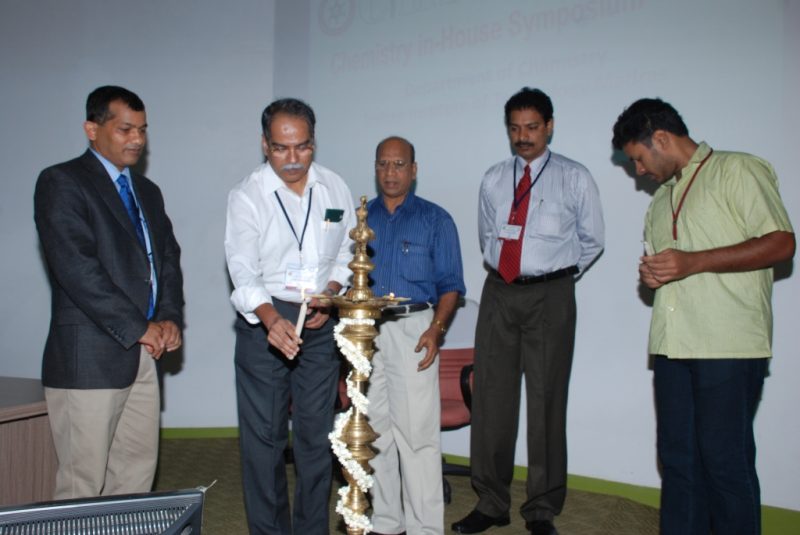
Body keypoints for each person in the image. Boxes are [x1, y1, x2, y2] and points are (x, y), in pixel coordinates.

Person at [612, 98, 795, 535]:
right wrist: (654, 276)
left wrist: (692, 261)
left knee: (724, 463)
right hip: (672, 347)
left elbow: (781, 243)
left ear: (661, 138)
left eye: (638, 158)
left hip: (727, 344)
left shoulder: (738, 170)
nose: (638, 170)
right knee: (677, 461)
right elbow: (672, 271)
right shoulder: (660, 202)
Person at [453, 88, 604, 535]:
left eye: (532, 127)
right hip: (500, 292)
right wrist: (513, 272)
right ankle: (491, 502)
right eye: (515, 128)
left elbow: (592, 240)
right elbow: (488, 236)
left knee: (546, 402)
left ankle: (541, 509)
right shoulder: (494, 179)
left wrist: (555, 277)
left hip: (550, 295)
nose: (523, 136)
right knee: (491, 400)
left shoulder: (574, 177)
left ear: (549, 126)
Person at [33, 85, 184, 499]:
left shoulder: (147, 191)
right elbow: (77, 269)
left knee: (135, 478)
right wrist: (140, 327)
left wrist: (168, 317)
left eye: (142, 130)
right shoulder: (61, 182)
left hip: (145, 354)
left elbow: (167, 259)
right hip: (90, 359)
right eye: (125, 129)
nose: (137, 139)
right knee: (82, 485)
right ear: (91, 129)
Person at [224, 98, 356, 535]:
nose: (293, 158)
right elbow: (242, 270)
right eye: (281, 148)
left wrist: (330, 294)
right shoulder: (248, 196)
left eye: (302, 146)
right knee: (265, 442)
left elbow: (347, 253)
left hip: (319, 317)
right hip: (266, 318)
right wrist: (269, 318)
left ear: (313, 142)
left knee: (316, 439)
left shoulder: (334, 187)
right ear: (265, 145)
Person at [366, 136, 466, 535]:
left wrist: (436, 330)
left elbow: (451, 284)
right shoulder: (362, 220)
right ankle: (386, 523)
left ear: (414, 170)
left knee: (418, 438)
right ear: (375, 168)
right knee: (375, 434)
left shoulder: (436, 220)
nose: (390, 172)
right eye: (383, 164)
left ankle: (425, 529)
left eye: (399, 164)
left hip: (414, 329)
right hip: (367, 331)